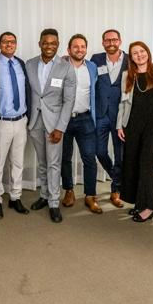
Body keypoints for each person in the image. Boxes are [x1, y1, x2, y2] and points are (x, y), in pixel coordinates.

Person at [26, 29, 76, 223]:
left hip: (54, 124)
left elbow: (69, 101)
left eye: (53, 43)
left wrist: (60, 128)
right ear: (40, 43)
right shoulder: (29, 64)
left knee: (54, 163)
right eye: (45, 43)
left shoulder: (66, 67)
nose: (49, 46)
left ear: (58, 44)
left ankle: (54, 203)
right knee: (42, 162)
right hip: (35, 122)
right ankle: (44, 195)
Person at [117, 41, 153, 223]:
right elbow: (123, 102)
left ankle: (149, 207)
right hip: (131, 125)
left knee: (146, 164)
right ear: (131, 57)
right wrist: (119, 125)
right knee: (132, 162)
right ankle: (139, 202)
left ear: (147, 52)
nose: (139, 55)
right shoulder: (126, 75)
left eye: (142, 51)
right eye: (135, 53)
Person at [0, 32, 31, 218]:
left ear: (16, 44)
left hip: (20, 120)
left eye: (12, 42)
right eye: (5, 42)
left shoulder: (21, 63)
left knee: (18, 162)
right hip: (1, 122)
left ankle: (15, 197)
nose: (9, 45)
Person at [60, 34, 101, 213]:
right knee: (64, 158)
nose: (79, 49)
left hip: (85, 119)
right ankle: (69, 191)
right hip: (64, 119)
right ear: (69, 50)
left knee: (89, 159)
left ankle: (90, 195)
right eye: (75, 47)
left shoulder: (92, 67)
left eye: (83, 46)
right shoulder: (60, 66)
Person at [91, 29, 127, 209]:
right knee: (99, 151)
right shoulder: (95, 59)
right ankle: (116, 176)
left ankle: (116, 190)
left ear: (120, 41)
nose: (111, 42)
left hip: (121, 115)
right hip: (101, 114)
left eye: (114, 39)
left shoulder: (130, 60)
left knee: (120, 154)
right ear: (103, 42)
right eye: (107, 40)